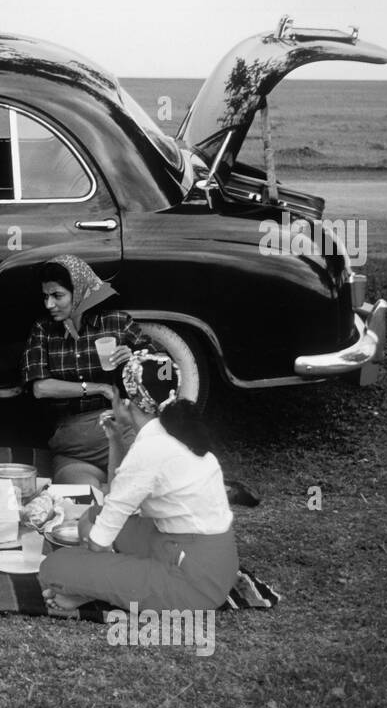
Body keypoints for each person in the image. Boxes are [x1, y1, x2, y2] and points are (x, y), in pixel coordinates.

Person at [38, 351, 239, 614]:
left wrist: (90, 572)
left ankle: (98, 589)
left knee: (55, 568)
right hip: (192, 551)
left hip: (193, 582)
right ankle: (111, 583)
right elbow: (114, 501)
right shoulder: (172, 430)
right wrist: (115, 439)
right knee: (93, 517)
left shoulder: (151, 448)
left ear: (128, 402)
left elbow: (99, 543)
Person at [21, 254, 149, 488]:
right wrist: (97, 388)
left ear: (79, 292)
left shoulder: (117, 323)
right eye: (46, 296)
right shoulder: (44, 329)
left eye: (57, 296)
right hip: (74, 442)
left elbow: (163, 372)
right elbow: (40, 388)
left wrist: (135, 359)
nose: (49, 304)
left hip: (119, 427)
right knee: (80, 498)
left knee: (135, 489)